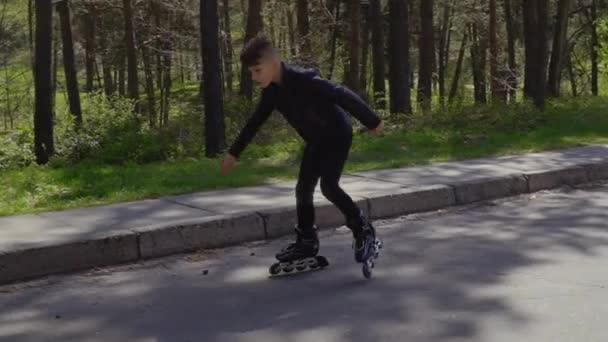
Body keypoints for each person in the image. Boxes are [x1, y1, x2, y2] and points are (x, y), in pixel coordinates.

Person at [220, 34, 384, 265]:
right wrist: (233, 153)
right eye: (251, 72)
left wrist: (372, 121)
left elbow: (341, 93)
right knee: (303, 189)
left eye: (257, 70)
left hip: (337, 135)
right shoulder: (272, 93)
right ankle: (307, 242)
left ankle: (363, 230)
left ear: (274, 64)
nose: (254, 77)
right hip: (316, 140)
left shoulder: (304, 79)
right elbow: (255, 122)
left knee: (328, 186)